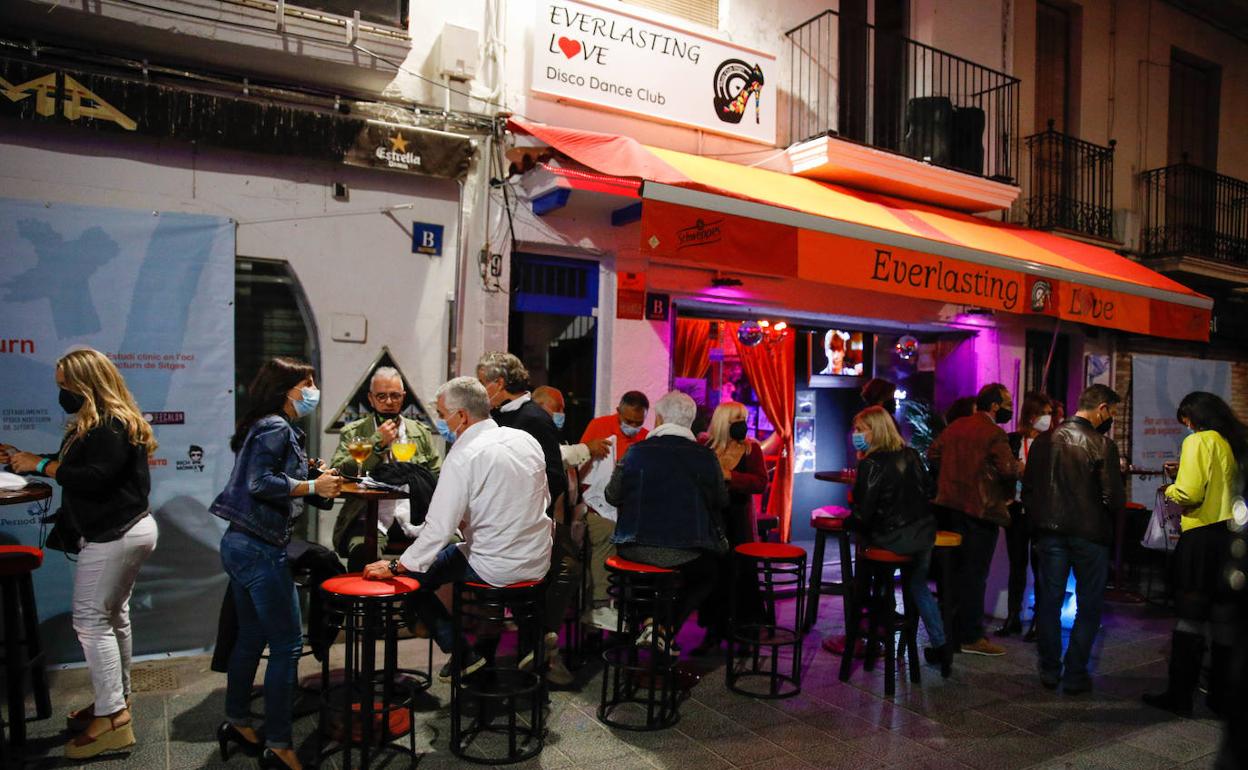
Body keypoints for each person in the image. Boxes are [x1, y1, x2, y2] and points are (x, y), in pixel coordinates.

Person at [1, 348, 159, 759]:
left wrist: (41, 467)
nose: (62, 393)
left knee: (91, 622)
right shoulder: (102, 422)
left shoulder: (110, 424)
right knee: (113, 617)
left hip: (115, 534)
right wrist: (26, 460)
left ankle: (113, 717)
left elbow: (93, 478)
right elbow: (76, 466)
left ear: (87, 383)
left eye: (66, 385)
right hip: (125, 530)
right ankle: (116, 701)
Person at [362, 377, 553, 682]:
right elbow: (542, 499)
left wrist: (397, 565)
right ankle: (530, 640)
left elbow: (439, 529)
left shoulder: (463, 454)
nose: (441, 422)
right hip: (538, 560)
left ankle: (462, 652)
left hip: (494, 566)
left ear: (461, 416)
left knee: (412, 579)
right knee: (474, 551)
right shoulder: (525, 440)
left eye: (442, 415)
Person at [208, 357, 342, 770]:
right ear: (287, 390)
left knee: (251, 635)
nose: (313, 390)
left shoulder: (265, 424)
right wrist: (311, 485)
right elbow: (259, 482)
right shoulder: (275, 427)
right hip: (259, 548)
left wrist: (308, 473)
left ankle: (237, 720)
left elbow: (267, 474)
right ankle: (280, 746)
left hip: (240, 544)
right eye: (307, 383)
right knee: (286, 645)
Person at [1142, 392, 1246, 717]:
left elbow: (1189, 492)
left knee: (1190, 617)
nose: (1186, 426)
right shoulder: (1234, 442)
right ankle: (1222, 697)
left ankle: (1179, 696)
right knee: (1223, 618)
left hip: (1201, 538)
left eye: (1186, 420)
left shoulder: (1199, 441)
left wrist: (1171, 488)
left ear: (1195, 417)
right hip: (1231, 538)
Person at [604, 391, 728, 653]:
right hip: (687, 549)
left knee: (640, 575)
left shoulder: (635, 452)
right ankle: (664, 628)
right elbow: (721, 499)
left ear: (659, 419)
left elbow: (612, 495)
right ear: (690, 421)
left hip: (634, 546)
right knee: (708, 574)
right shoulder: (706, 456)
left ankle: (649, 623)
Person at [1022, 384, 1125, 693]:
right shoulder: (1102, 445)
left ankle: (1049, 668)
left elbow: (1029, 489)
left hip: (1050, 532)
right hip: (1090, 534)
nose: (1112, 419)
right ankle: (1076, 672)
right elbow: (1113, 498)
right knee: (1089, 604)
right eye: (1112, 412)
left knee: (1049, 601)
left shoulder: (1043, 441)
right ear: (1102, 409)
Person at [846, 406, 953, 676]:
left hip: (891, 540)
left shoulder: (870, 464)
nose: (855, 435)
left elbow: (863, 515)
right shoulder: (912, 455)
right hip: (922, 535)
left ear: (875, 431)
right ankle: (942, 646)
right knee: (918, 586)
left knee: (872, 577)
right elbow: (930, 490)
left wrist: (845, 522)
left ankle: (875, 629)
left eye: (860, 430)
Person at [927, 382, 1022, 657]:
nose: (1009, 410)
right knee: (975, 574)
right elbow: (1007, 469)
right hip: (981, 510)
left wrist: (952, 473)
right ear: (994, 406)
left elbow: (933, 453)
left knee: (955, 573)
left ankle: (951, 631)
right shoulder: (995, 433)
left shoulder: (957, 425)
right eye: (1007, 404)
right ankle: (971, 636)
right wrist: (1022, 467)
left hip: (949, 507)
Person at [329, 366, 440, 569]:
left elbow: (437, 475)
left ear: (403, 397)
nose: (389, 402)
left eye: (395, 396)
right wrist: (376, 443)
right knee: (362, 552)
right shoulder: (354, 431)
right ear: (370, 399)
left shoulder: (420, 432)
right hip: (368, 515)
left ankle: (419, 590)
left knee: (449, 546)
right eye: (381, 396)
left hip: (415, 515)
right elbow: (339, 472)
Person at [692, 401, 767, 656]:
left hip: (738, 520)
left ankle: (745, 632)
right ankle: (713, 631)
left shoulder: (751, 449)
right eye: (736, 419)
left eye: (743, 419)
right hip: (712, 520)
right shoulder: (706, 447)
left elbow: (760, 483)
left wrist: (732, 477)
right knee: (714, 574)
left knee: (741, 574)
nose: (742, 424)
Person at [578, 391, 650, 630]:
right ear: (618, 412)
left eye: (638, 423)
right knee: (606, 534)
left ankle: (634, 615)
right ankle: (599, 606)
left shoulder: (645, 438)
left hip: (628, 511)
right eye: (628, 421)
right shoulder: (599, 427)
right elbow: (578, 469)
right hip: (594, 507)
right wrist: (590, 451)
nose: (632, 427)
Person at [997, 391, 1053, 638]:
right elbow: (1001, 470)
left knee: (1040, 567)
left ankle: (1040, 620)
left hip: (1040, 511)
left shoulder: (1052, 443)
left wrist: (1026, 472)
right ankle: (1013, 617)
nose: (1048, 419)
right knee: (1016, 566)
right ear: (1031, 416)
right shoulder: (1013, 440)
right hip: (1016, 509)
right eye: (1044, 414)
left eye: (1050, 414)